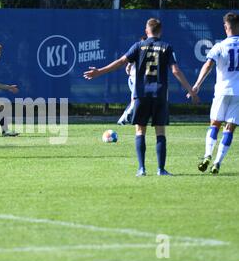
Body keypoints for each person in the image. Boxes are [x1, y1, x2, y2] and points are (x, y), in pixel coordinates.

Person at [83, 18, 199, 176]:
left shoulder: (138, 46)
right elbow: (176, 70)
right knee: (160, 132)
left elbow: (120, 62)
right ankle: (160, 169)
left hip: (141, 94)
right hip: (159, 94)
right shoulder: (167, 47)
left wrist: (99, 72)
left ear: (147, 31)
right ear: (161, 31)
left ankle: (141, 169)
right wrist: (191, 90)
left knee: (140, 131)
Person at [192, 12, 239, 174]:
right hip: (238, 93)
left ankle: (207, 155)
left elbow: (208, 65)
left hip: (221, 90)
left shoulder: (220, 46)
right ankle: (217, 162)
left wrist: (197, 84)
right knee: (230, 128)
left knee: (215, 124)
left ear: (226, 27)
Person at [117, 36, 147, 126]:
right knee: (135, 100)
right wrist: (131, 73)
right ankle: (125, 118)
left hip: (140, 81)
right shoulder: (137, 52)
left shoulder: (149, 54)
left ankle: (126, 118)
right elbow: (127, 68)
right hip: (135, 80)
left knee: (137, 100)